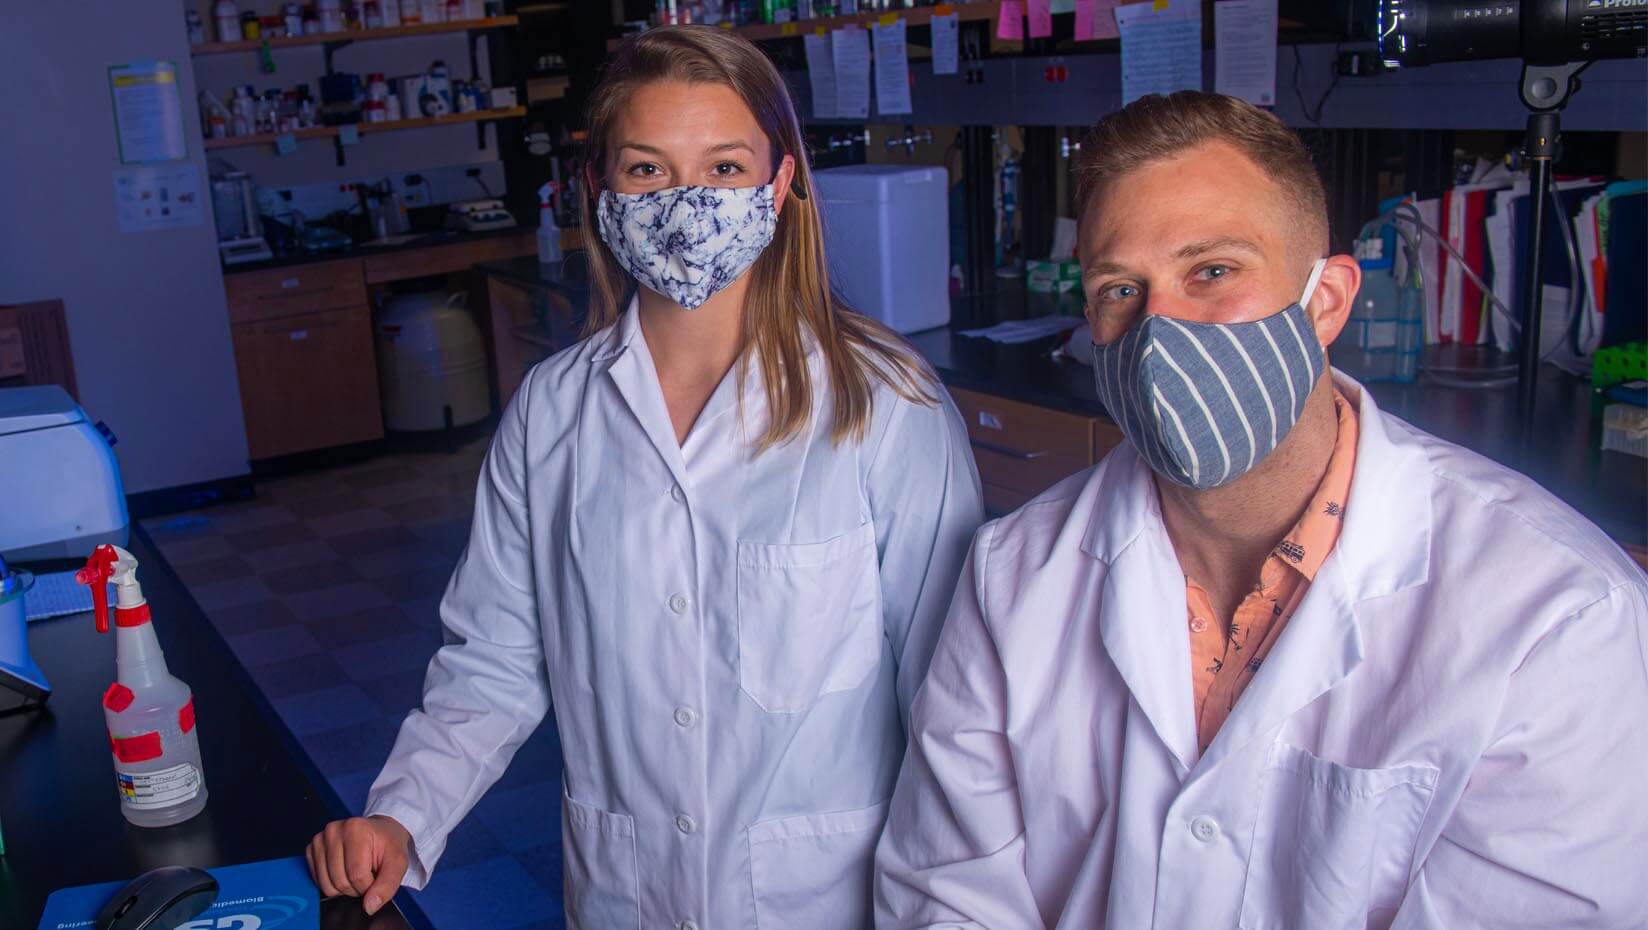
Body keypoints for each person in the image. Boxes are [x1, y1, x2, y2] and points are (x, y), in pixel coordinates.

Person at [875, 91, 1648, 929]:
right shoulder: (1013, 572)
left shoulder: (1556, 616)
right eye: (1120, 290)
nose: (1160, 328)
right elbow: (946, 895)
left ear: (1326, 302)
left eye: (1212, 271)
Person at [305, 25, 983, 929]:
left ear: (780, 187)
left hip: (830, 904)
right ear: (601, 191)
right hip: (627, 902)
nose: (686, 203)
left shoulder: (886, 406)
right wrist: (402, 812)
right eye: (648, 171)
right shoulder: (553, 414)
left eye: (726, 169)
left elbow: (956, 702)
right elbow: (494, 662)